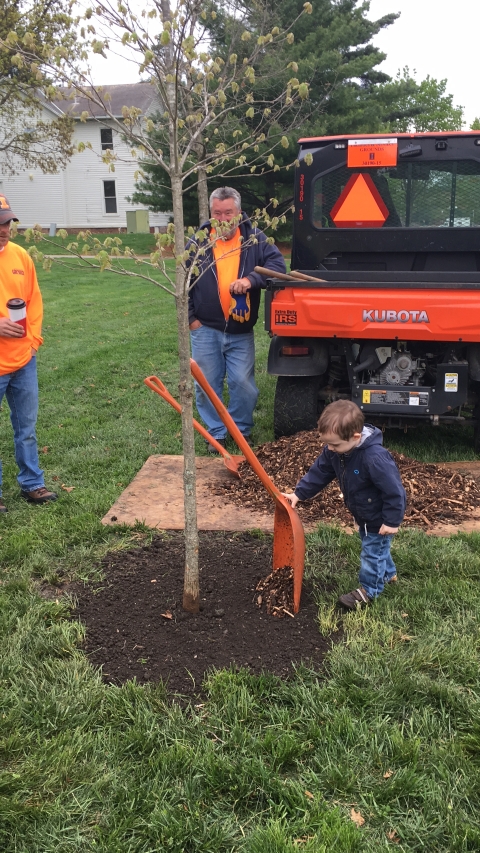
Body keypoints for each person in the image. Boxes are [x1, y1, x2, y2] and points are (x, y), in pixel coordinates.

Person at [282, 399, 406, 609]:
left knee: (371, 552)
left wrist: (392, 521)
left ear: (356, 437)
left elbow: (395, 491)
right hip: (363, 513)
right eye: (327, 443)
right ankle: (388, 574)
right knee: (377, 548)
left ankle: (370, 590)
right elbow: (320, 472)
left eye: (335, 444)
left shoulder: (375, 458)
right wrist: (299, 493)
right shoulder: (338, 450)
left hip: (378, 517)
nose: (330, 448)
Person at [188, 187, 286, 450]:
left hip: (241, 330)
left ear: (238, 213)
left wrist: (251, 280)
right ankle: (217, 431)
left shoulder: (254, 238)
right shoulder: (199, 242)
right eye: (217, 213)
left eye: (228, 213)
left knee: (243, 384)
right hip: (205, 328)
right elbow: (182, 283)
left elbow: (278, 268)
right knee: (207, 384)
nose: (223, 219)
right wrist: (191, 320)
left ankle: (240, 429)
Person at [0, 194, 57, 512]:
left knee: (26, 427)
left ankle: (32, 483)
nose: (4, 228)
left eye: (7, 222)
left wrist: (33, 341)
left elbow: (34, 301)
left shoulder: (21, 257)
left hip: (23, 360)